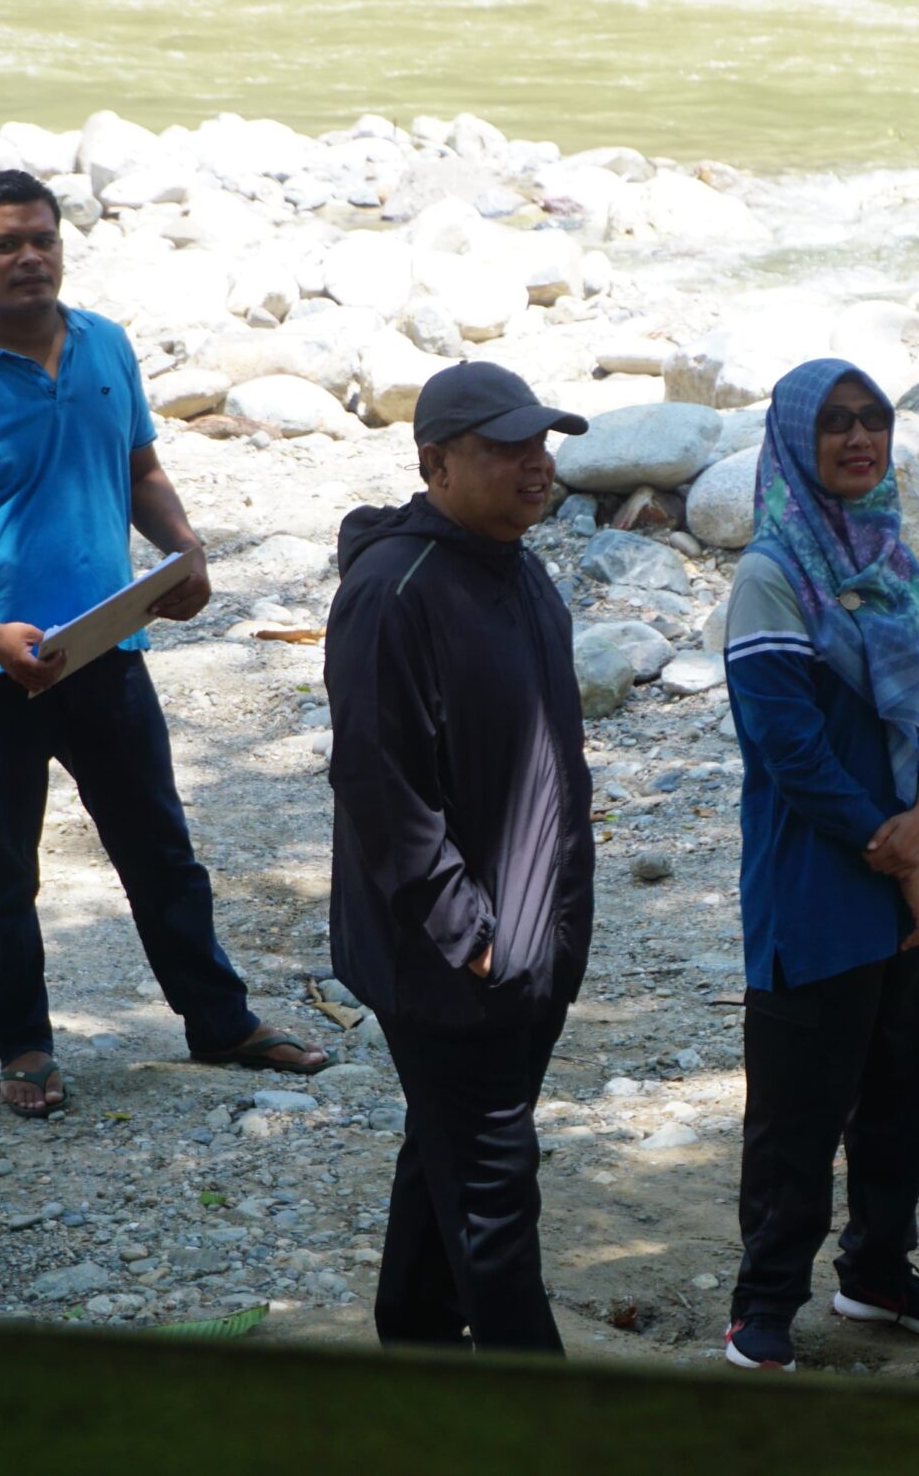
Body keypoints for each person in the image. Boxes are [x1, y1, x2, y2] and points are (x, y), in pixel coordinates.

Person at [0, 170, 324, 1120]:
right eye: (5, 244)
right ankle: (26, 1050)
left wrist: (184, 551)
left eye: (41, 238)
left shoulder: (106, 348)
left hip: (109, 649)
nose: (28, 257)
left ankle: (221, 1022)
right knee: (6, 872)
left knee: (161, 849)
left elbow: (140, 467)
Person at [325, 360, 597, 1355]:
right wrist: (469, 937)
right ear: (435, 461)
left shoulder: (516, 566)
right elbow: (376, 782)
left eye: (540, 442)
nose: (535, 464)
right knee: (493, 1191)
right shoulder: (392, 591)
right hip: (452, 961)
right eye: (505, 447)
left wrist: (552, 924)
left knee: (445, 1149)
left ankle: (416, 1341)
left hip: (531, 942)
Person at [718, 359, 919, 1373]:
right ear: (795, 441)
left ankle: (877, 1270)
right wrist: (897, 849)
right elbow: (787, 743)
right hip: (819, 878)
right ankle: (764, 1299)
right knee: (799, 1108)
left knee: (905, 1089)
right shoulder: (773, 570)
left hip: (909, 863)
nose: (858, 438)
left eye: (873, 420)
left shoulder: (890, 557)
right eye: (836, 424)